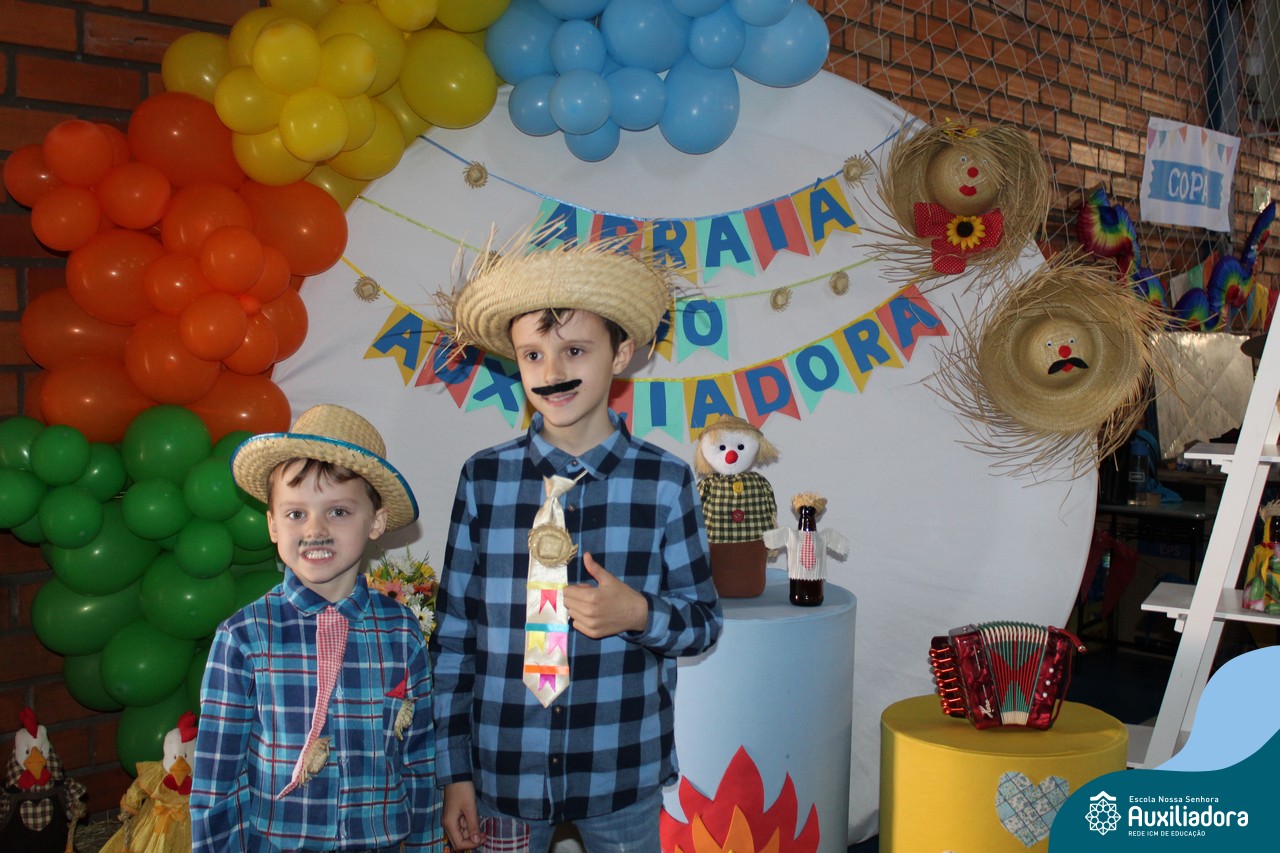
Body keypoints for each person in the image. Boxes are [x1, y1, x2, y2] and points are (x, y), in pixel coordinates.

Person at [431, 235, 724, 852]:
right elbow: (455, 635)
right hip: (503, 770)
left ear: (621, 353)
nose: (552, 372)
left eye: (574, 350)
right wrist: (453, 771)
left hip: (620, 769)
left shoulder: (665, 482)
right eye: (533, 354)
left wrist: (638, 613)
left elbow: (703, 623)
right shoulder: (483, 479)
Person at [190, 404, 444, 852]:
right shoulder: (243, 637)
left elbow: (420, 758)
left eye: (339, 511)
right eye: (295, 514)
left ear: (376, 522)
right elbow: (217, 779)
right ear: (272, 524)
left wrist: (426, 844)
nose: (315, 529)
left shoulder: (401, 630)